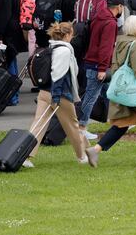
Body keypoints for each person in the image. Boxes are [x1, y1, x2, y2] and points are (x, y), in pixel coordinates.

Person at [85, 15, 136, 168]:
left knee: (121, 125)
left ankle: (95, 150)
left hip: (123, 91)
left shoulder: (119, 43)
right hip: (135, 92)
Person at [23, 22, 88, 169]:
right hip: (59, 94)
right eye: (71, 34)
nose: (72, 37)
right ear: (66, 35)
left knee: (38, 124)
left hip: (44, 92)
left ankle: (25, 156)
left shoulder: (52, 47)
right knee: (72, 126)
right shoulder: (64, 51)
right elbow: (58, 74)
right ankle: (82, 156)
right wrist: (57, 97)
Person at [78, 0, 123, 140]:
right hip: (98, 65)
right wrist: (103, 68)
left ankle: (120, 120)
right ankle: (81, 127)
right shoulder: (110, 23)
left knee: (111, 93)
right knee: (91, 97)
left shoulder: (98, 17)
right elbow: (106, 47)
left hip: (92, 61)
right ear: (119, 7)